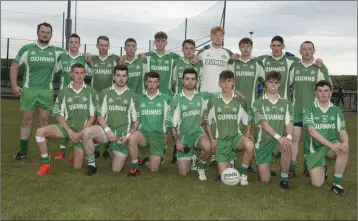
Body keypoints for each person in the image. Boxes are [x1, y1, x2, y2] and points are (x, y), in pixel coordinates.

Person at [11, 22, 65, 160]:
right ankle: (22, 152)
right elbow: (14, 66)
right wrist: (14, 85)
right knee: (26, 121)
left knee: (45, 122)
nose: (45, 34)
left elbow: (73, 56)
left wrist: (88, 55)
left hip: (46, 91)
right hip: (29, 90)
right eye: (42, 32)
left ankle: (44, 153)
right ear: (37, 33)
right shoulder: (27, 49)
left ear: (51, 35)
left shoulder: (57, 51)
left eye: (48, 32)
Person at [35, 63, 98, 175]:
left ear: (85, 75)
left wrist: (81, 133)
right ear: (71, 75)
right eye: (76, 73)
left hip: (82, 132)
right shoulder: (64, 91)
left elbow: (93, 116)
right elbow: (58, 113)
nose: (79, 76)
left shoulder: (91, 92)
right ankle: (46, 164)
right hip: (67, 129)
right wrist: (69, 131)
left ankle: (78, 153)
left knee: (78, 167)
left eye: (82, 73)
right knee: (40, 132)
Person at [81, 64, 140, 176]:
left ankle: (116, 151)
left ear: (127, 77)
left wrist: (127, 137)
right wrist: (108, 131)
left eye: (124, 76)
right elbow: (100, 116)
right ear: (113, 77)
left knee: (116, 170)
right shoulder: (105, 93)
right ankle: (92, 165)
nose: (121, 78)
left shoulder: (133, 95)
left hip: (121, 136)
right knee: (86, 132)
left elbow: (136, 121)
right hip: (107, 132)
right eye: (118, 75)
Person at [197, 26, 243, 167]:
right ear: (211, 37)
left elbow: (230, 75)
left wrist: (234, 90)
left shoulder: (228, 54)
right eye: (215, 35)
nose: (218, 38)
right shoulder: (203, 53)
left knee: (220, 123)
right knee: (204, 122)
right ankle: (202, 153)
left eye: (220, 35)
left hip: (220, 93)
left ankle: (219, 154)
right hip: (205, 93)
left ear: (223, 37)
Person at [288, 41, 332, 178]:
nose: (307, 51)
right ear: (300, 51)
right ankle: (292, 167)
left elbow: (329, 88)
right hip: (296, 110)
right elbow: (287, 86)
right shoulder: (295, 66)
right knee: (294, 138)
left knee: (312, 139)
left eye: (309, 49)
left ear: (314, 51)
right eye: (304, 49)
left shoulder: (319, 67)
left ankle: (309, 165)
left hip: (313, 111)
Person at [205, 70, 255, 185]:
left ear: (233, 82)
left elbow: (248, 120)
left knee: (250, 145)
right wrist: (212, 139)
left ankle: (243, 174)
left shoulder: (240, 101)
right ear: (219, 84)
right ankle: (230, 161)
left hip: (236, 138)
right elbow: (208, 122)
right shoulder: (213, 101)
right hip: (221, 140)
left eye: (229, 81)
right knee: (225, 178)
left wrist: (247, 133)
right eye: (223, 81)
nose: (226, 84)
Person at [303, 80, 349, 194]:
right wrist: (332, 146)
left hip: (331, 146)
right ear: (315, 93)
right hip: (314, 149)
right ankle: (322, 167)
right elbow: (312, 132)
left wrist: (346, 142)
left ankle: (336, 184)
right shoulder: (309, 109)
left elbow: (342, 131)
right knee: (317, 184)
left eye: (326, 91)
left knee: (343, 149)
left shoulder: (337, 110)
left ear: (330, 93)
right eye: (320, 91)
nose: (323, 93)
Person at [54, 33, 93, 162]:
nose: (73, 44)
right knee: (64, 121)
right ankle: (62, 150)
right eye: (71, 42)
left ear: (79, 44)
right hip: (65, 95)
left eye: (76, 42)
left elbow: (92, 72)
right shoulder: (63, 57)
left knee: (79, 122)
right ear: (68, 44)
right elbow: (54, 69)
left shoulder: (83, 58)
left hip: (80, 95)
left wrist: (90, 60)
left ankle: (75, 149)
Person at [168, 68, 212, 181]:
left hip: (197, 133)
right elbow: (172, 124)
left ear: (197, 81)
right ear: (182, 81)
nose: (190, 81)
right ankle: (192, 157)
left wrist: (234, 92)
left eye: (193, 79)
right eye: (187, 78)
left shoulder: (202, 97)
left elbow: (221, 94)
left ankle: (200, 167)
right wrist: (177, 141)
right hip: (183, 136)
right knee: (183, 173)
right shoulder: (176, 99)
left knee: (208, 146)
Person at [253, 71, 293, 189]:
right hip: (263, 143)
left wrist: (288, 138)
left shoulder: (286, 103)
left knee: (287, 145)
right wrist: (280, 138)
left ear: (280, 84)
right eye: (270, 82)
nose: (273, 86)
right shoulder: (258, 102)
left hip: (277, 142)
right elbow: (264, 124)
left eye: (276, 83)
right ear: (266, 83)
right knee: (265, 180)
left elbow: (289, 122)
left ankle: (284, 179)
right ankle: (264, 164)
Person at [127, 71, 172, 176]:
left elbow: (172, 116)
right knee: (132, 137)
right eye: (150, 81)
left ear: (158, 83)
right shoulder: (138, 98)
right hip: (143, 133)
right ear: (145, 83)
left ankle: (148, 159)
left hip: (158, 136)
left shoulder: (166, 98)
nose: (152, 85)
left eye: (155, 82)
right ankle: (135, 167)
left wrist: (166, 135)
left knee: (153, 169)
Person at [171, 39, 203, 165]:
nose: (189, 51)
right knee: (177, 126)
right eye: (186, 48)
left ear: (194, 50)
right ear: (182, 50)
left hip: (194, 100)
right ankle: (176, 152)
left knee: (195, 126)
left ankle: (194, 155)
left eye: (191, 48)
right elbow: (173, 81)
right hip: (180, 100)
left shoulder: (198, 65)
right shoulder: (177, 64)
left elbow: (200, 82)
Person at [87, 36, 120, 159]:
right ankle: (94, 147)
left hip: (109, 94)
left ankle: (108, 147)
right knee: (94, 120)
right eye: (101, 45)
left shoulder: (114, 59)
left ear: (109, 46)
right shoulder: (93, 59)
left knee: (109, 119)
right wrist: (86, 54)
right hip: (95, 94)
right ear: (97, 46)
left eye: (106, 45)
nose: (103, 47)